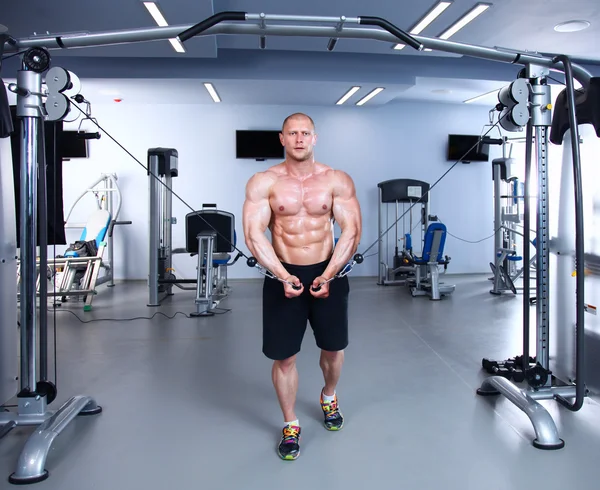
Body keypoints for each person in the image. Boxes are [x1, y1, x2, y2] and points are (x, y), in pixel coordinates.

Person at [242, 113, 362, 460]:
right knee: (284, 357)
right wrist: (281, 274)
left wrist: (329, 274)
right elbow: (254, 234)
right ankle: (291, 423)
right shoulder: (263, 182)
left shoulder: (336, 180)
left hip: (329, 271)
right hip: (283, 273)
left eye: (304, 133)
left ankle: (328, 395)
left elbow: (351, 231)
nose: (298, 139)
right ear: (282, 138)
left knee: (333, 348)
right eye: (292, 133)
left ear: (315, 138)